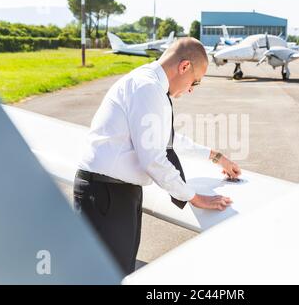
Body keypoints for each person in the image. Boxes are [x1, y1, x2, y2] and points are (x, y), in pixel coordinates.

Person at [73, 37, 242, 275]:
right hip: (106, 194)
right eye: (195, 82)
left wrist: (215, 157)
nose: (191, 89)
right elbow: (153, 158)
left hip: (116, 193)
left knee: (120, 272)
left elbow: (165, 140)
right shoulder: (147, 88)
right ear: (184, 67)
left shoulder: (149, 84)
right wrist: (194, 197)